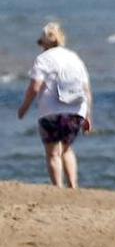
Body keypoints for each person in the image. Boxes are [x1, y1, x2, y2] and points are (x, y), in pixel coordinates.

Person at [17, 22, 93, 188]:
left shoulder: (43, 59)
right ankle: (73, 186)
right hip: (75, 110)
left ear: (44, 43)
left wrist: (24, 107)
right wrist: (87, 115)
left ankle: (57, 188)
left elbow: (34, 87)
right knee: (66, 148)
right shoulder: (74, 58)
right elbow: (86, 89)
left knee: (52, 152)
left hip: (50, 111)